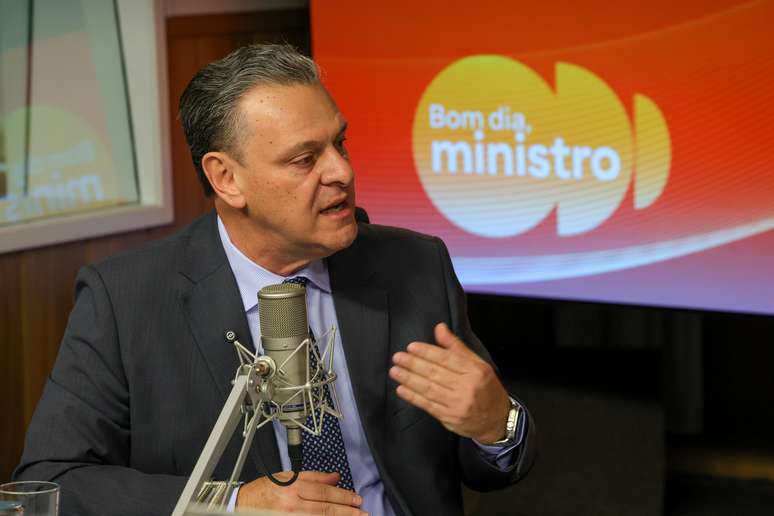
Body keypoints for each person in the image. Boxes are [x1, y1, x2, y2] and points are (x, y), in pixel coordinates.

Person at [14, 44, 536, 516]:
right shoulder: (125, 299)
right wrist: (231, 504)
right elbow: (53, 480)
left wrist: (498, 424)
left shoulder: (414, 265)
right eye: (305, 159)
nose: (342, 172)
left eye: (340, 143)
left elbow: (489, 460)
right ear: (226, 178)